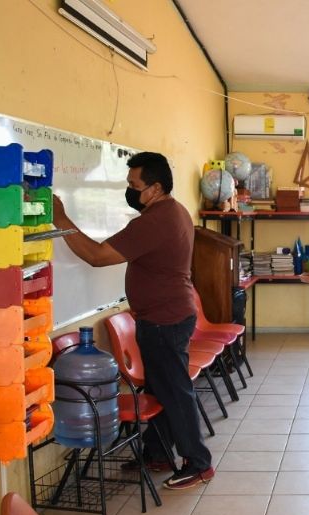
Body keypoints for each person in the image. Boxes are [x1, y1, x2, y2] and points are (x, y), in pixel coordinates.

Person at [52, 151, 214, 490]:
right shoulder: (175, 211)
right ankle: (156, 453)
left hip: (165, 321)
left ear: (154, 188)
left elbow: (97, 257)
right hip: (168, 315)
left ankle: (198, 463)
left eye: (133, 185)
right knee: (160, 388)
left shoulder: (154, 221)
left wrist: (61, 219)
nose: (129, 192)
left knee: (175, 392)